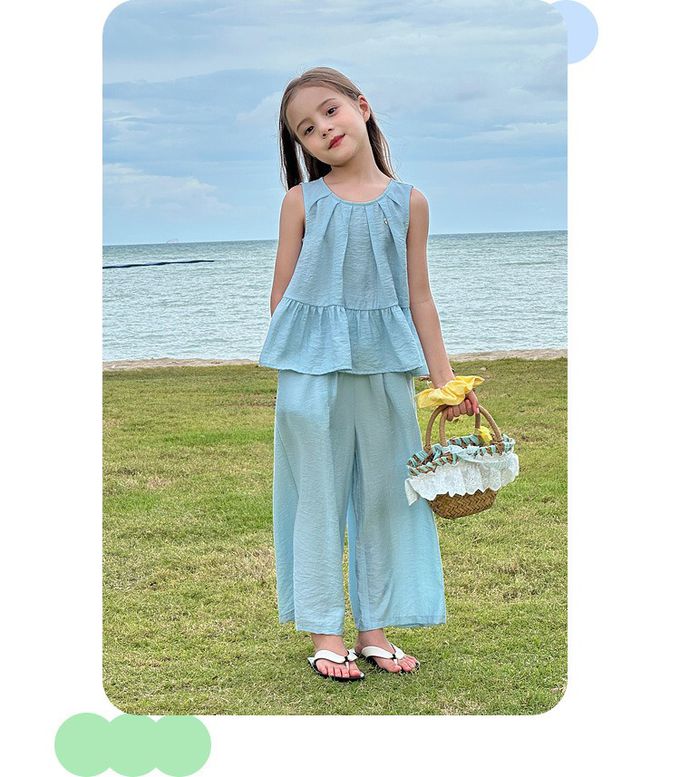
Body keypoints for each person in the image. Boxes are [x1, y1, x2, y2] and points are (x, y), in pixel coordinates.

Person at [258, 66, 479, 682]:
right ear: (300, 145)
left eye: (329, 111)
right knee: (316, 498)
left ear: (362, 106)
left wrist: (445, 382)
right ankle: (325, 632)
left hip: (384, 368)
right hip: (310, 375)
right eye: (306, 129)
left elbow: (420, 298)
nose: (322, 129)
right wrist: (302, 366)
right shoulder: (301, 202)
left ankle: (375, 631)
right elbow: (281, 296)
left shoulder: (410, 203)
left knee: (386, 499)